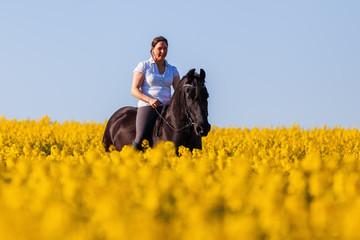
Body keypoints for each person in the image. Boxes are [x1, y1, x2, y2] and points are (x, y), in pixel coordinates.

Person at [131, 36, 181, 150]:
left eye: (165, 48)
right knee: (140, 137)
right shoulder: (144, 66)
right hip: (148, 106)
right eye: (160, 48)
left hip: (167, 107)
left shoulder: (172, 69)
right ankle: (132, 155)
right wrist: (150, 100)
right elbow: (134, 90)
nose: (163, 52)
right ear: (152, 49)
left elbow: (178, 91)